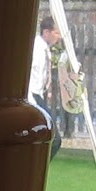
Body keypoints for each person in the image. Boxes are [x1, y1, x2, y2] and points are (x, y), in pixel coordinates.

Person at [30, 16, 63, 161]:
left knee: (49, 138)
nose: (59, 37)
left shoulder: (45, 50)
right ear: (46, 32)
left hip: (38, 96)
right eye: (56, 33)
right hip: (31, 97)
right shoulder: (36, 49)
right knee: (54, 139)